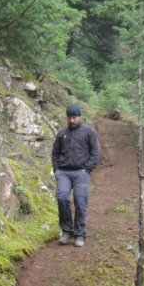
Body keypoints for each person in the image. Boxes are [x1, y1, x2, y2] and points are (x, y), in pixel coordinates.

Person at [50, 103, 100, 247]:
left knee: (80, 202)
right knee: (62, 198)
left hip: (81, 173)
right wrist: (57, 169)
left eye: (74, 117)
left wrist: (87, 169)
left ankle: (79, 235)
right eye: (69, 118)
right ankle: (66, 231)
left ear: (79, 117)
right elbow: (55, 152)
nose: (72, 120)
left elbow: (95, 152)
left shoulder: (89, 132)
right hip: (64, 173)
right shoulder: (62, 134)